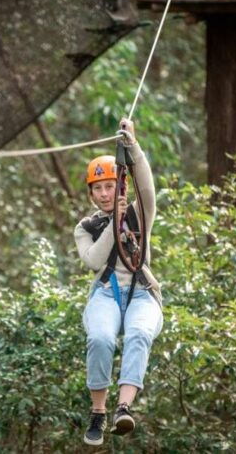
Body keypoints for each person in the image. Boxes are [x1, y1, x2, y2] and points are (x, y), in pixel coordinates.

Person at [74, 118, 163, 446]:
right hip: (106, 292)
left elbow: (147, 185)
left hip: (142, 291)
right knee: (100, 338)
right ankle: (98, 411)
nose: (104, 193)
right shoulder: (86, 227)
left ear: (120, 187)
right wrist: (114, 222)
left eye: (109, 186)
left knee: (139, 333)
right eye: (97, 188)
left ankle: (123, 407)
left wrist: (133, 146)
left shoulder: (140, 213)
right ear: (91, 194)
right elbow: (94, 260)